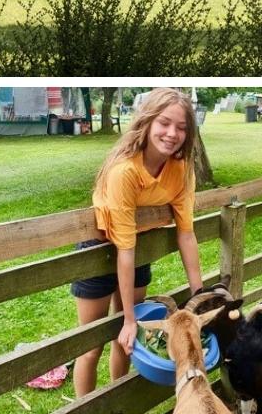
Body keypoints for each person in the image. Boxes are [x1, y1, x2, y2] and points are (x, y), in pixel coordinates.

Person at [71, 87, 203, 396]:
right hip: (99, 253)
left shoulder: (182, 170)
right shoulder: (124, 170)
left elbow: (186, 233)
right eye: (165, 123)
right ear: (146, 122)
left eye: (181, 127)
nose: (172, 133)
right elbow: (122, 249)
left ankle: (118, 410)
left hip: (135, 249)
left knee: (126, 341)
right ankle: (84, 413)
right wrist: (130, 318)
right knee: (91, 346)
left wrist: (199, 297)